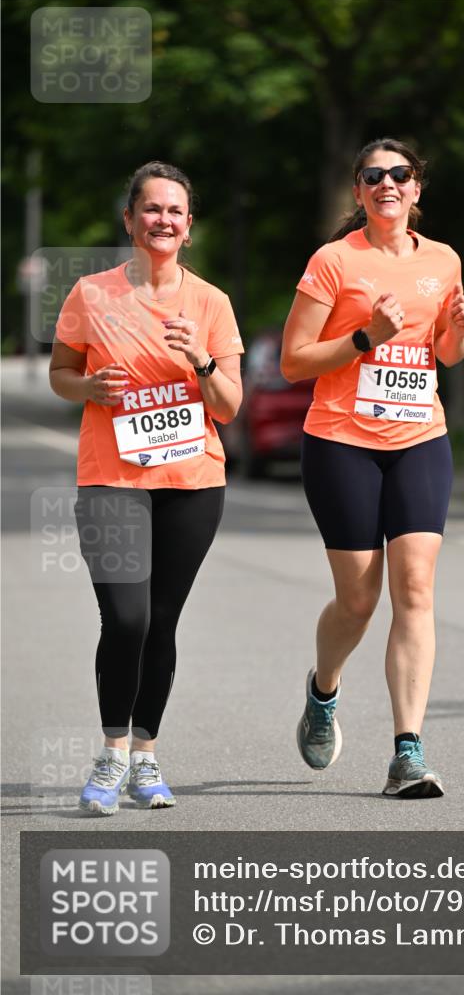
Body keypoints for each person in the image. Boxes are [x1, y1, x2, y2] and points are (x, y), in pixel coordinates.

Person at [281, 137, 464, 798]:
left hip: (420, 436)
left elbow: (446, 356)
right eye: (373, 175)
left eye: (399, 174)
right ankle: (323, 691)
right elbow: (294, 361)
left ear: (416, 189)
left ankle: (407, 753)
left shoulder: (444, 259)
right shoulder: (334, 261)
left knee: (416, 589)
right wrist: (366, 336)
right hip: (341, 440)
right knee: (359, 599)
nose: (386, 183)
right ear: (359, 192)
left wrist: (459, 327)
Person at [49, 161, 244, 815]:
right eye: (151, 209)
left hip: (191, 482)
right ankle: (110, 754)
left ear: (188, 228)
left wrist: (203, 360)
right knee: (125, 618)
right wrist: (87, 388)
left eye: (175, 212)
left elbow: (229, 406)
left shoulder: (210, 303)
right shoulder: (91, 294)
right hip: (110, 478)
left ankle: (147, 759)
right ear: (130, 221)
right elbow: (60, 373)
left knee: (161, 622)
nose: (163, 220)